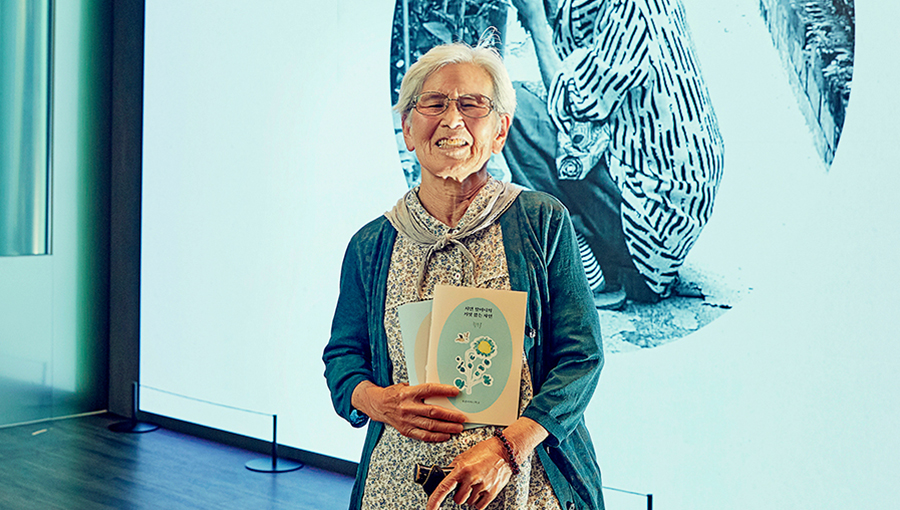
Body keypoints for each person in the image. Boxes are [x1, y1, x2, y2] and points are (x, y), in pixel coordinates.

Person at [323, 41, 605, 510]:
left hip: (523, 485)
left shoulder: (540, 222)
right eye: (434, 103)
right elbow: (343, 358)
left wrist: (505, 451)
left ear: (500, 132)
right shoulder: (371, 244)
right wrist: (378, 403)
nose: (452, 120)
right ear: (408, 129)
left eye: (472, 105)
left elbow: (581, 358)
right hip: (398, 488)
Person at [505, 0, 726, 307]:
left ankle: (586, 272)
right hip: (672, 216)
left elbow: (576, 103)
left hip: (649, 232)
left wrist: (536, 22)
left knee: (511, 111)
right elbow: (579, 55)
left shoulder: (630, 9)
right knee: (531, 99)